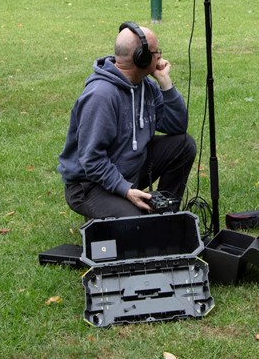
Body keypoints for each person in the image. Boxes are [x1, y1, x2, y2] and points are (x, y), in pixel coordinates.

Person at [58, 22, 196, 220]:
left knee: (183, 144)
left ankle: (166, 212)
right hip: (90, 186)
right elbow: (91, 159)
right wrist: (125, 190)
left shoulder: (146, 85)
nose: (159, 57)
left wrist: (165, 82)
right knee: (138, 227)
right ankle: (106, 211)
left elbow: (177, 126)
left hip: (130, 169)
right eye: (156, 52)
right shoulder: (101, 96)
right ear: (141, 58)